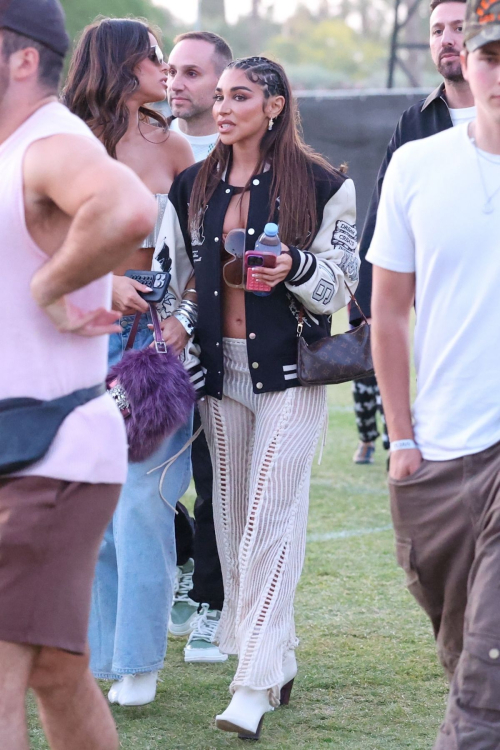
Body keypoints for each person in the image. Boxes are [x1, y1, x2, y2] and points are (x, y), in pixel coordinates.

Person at [155, 56, 359, 739]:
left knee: (271, 517)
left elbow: (341, 282)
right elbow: (181, 279)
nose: (222, 106)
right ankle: (277, 660)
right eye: (218, 96)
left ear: (273, 104)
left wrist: (294, 266)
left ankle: (250, 687)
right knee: (236, 528)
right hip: (221, 375)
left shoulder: (325, 182)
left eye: (238, 95)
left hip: (291, 374)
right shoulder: (192, 183)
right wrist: (172, 329)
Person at [0, 1, 157, 748]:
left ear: (23, 58)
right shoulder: (12, 150)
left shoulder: (50, 143)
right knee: (59, 670)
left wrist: (49, 286)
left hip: (48, 448)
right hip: (25, 443)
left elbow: (128, 208)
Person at [368, 0, 500, 743]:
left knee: (484, 687)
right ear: (463, 63)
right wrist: (402, 439)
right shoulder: (417, 163)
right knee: (465, 654)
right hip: (438, 462)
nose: (497, 71)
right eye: (488, 55)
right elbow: (388, 311)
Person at [63, 17, 195, 707]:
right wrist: (101, 282)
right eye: (153, 56)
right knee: (94, 503)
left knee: (143, 499)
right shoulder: (61, 145)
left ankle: (140, 662)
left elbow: (210, 240)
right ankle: (107, 656)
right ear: (121, 64)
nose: (165, 66)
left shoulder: (168, 141)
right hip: (80, 340)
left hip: (153, 347)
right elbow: (30, 249)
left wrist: (180, 320)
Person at [351, 0, 475, 465]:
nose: (447, 38)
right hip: (435, 289)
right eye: (437, 29)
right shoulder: (415, 123)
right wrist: (365, 299)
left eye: (459, 27)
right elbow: (384, 210)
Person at [166, 29, 233, 664]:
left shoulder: (242, 157)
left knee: (217, 480)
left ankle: (212, 605)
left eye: (190, 73)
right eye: (169, 71)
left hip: (218, 348)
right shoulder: (149, 145)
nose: (174, 83)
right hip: (149, 344)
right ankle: (183, 562)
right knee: (145, 480)